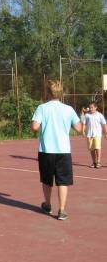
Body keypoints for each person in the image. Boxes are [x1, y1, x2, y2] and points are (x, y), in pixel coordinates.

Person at [31, 80, 82, 221]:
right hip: (63, 150)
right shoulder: (69, 109)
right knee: (63, 181)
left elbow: (34, 127)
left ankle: (47, 205)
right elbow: (79, 128)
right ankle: (62, 210)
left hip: (46, 150)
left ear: (47, 92)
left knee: (47, 180)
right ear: (61, 93)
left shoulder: (42, 108)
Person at [82, 102, 107, 168]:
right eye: (90, 107)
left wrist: (106, 133)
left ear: (96, 107)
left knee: (97, 148)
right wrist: (83, 131)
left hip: (97, 134)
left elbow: (104, 124)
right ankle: (94, 162)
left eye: (92, 107)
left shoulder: (100, 115)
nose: (91, 109)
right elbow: (84, 124)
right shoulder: (87, 115)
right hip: (89, 134)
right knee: (92, 149)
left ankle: (98, 162)